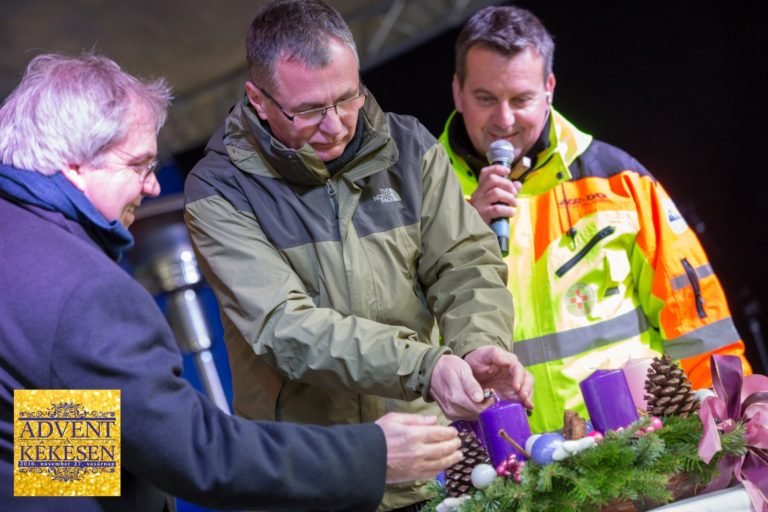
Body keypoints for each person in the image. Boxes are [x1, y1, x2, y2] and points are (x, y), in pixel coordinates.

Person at [0, 52, 466, 512]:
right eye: (139, 165)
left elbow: (21, 432)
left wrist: (118, 457)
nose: (153, 185)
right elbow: (197, 454)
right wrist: (372, 456)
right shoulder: (87, 290)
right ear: (76, 164)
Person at [183, 0, 533, 509]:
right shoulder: (220, 190)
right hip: (318, 479)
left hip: (435, 464)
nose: (335, 125)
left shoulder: (409, 146)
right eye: (307, 111)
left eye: (347, 98)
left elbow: (465, 262)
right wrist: (425, 366)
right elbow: (284, 327)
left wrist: (477, 345)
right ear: (258, 100)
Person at [440, 5, 752, 434]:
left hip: (636, 454)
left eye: (521, 99)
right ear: (457, 91)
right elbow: (388, 344)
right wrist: (454, 236)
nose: (504, 120)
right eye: (485, 99)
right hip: (500, 473)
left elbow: (701, 330)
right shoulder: (419, 200)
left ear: (549, 88)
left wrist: (729, 431)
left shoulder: (621, 181)